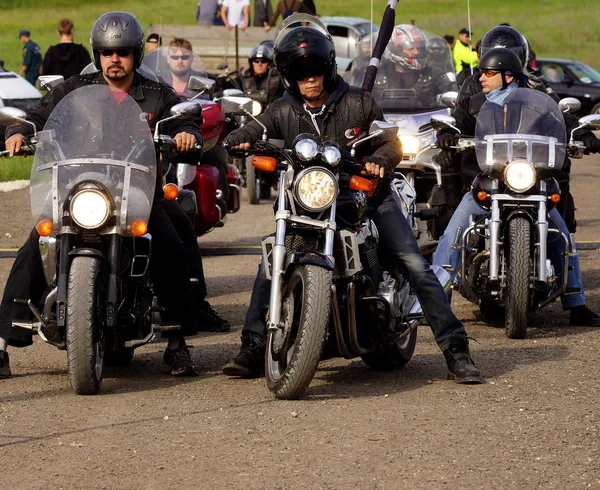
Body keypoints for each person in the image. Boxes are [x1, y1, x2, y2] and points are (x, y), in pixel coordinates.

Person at [221, 25, 483, 384]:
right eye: (299, 72)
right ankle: (252, 347)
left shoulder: (358, 102)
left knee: (412, 263)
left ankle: (456, 350)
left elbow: (390, 141)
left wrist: (383, 160)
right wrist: (239, 137)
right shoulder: (282, 108)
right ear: (288, 75)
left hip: (368, 197)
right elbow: (256, 129)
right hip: (309, 201)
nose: (308, 79)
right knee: (272, 261)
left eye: (314, 70)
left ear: (327, 68)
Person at [0, 12, 225, 380]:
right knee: (35, 246)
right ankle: (2, 344)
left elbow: (185, 119)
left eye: (121, 52)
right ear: (97, 53)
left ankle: (176, 342)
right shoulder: (74, 87)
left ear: (135, 53)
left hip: (136, 192)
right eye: (106, 53)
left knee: (169, 246)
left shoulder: (156, 93)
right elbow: (37, 115)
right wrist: (21, 130)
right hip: (78, 190)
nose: (114, 60)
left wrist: (186, 133)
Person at [433, 48, 600, 328]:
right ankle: (431, 303)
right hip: (491, 179)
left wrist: (580, 132)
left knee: (561, 235)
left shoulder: (540, 103)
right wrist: (448, 134)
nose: (481, 79)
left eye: (488, 73)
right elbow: (458, 121)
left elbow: (562, 121)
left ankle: (576, 304)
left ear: (508, 76)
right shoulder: (475, 104)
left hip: (529, 179)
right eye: (480, 72)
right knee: (455, 233)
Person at [165, 37, 232, 202]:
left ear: (192, 59)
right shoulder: (160, 85)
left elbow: (214, 104)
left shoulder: (204, 84)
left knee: (216, 154)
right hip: (168, 137)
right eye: (175, 57)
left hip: (200, 137)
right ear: (168, 59)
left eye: (184, 57)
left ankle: (218, 199)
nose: (180, 60)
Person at [370, 25, 457, 109]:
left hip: (423, 121)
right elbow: (360, 97)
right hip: (384, 122)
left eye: (419, 48)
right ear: (396, 49)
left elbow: (451, 89)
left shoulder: (432, 73)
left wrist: (451, 94)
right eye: (411, 49)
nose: (416, 52)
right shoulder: (375, 75)